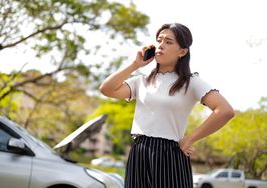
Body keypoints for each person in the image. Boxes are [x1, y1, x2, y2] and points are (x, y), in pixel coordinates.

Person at [99, 23, 234, 188]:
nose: (161, 45)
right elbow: (106, 89)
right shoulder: (142, 80)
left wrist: (189, 139)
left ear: (182, 51)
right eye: (159, 40)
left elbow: (225, 111)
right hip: (139, 151)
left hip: (169, 153)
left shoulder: (191, 82)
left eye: (168, 42)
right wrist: (135, 65)